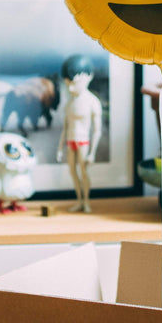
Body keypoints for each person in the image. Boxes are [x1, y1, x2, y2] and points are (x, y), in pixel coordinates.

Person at [57, 54, 102, 213]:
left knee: (83, 172)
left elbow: (97, 130)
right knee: (72, 171)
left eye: (73, 83)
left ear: (88, 77)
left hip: (83, 141)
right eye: (67, 84)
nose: (70, 88)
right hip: (70, 140)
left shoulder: (92, 102)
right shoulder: (70, 102)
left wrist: (92, 153)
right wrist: (59, 147)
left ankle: (87, 201)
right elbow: (65, 126)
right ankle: (79, 200)